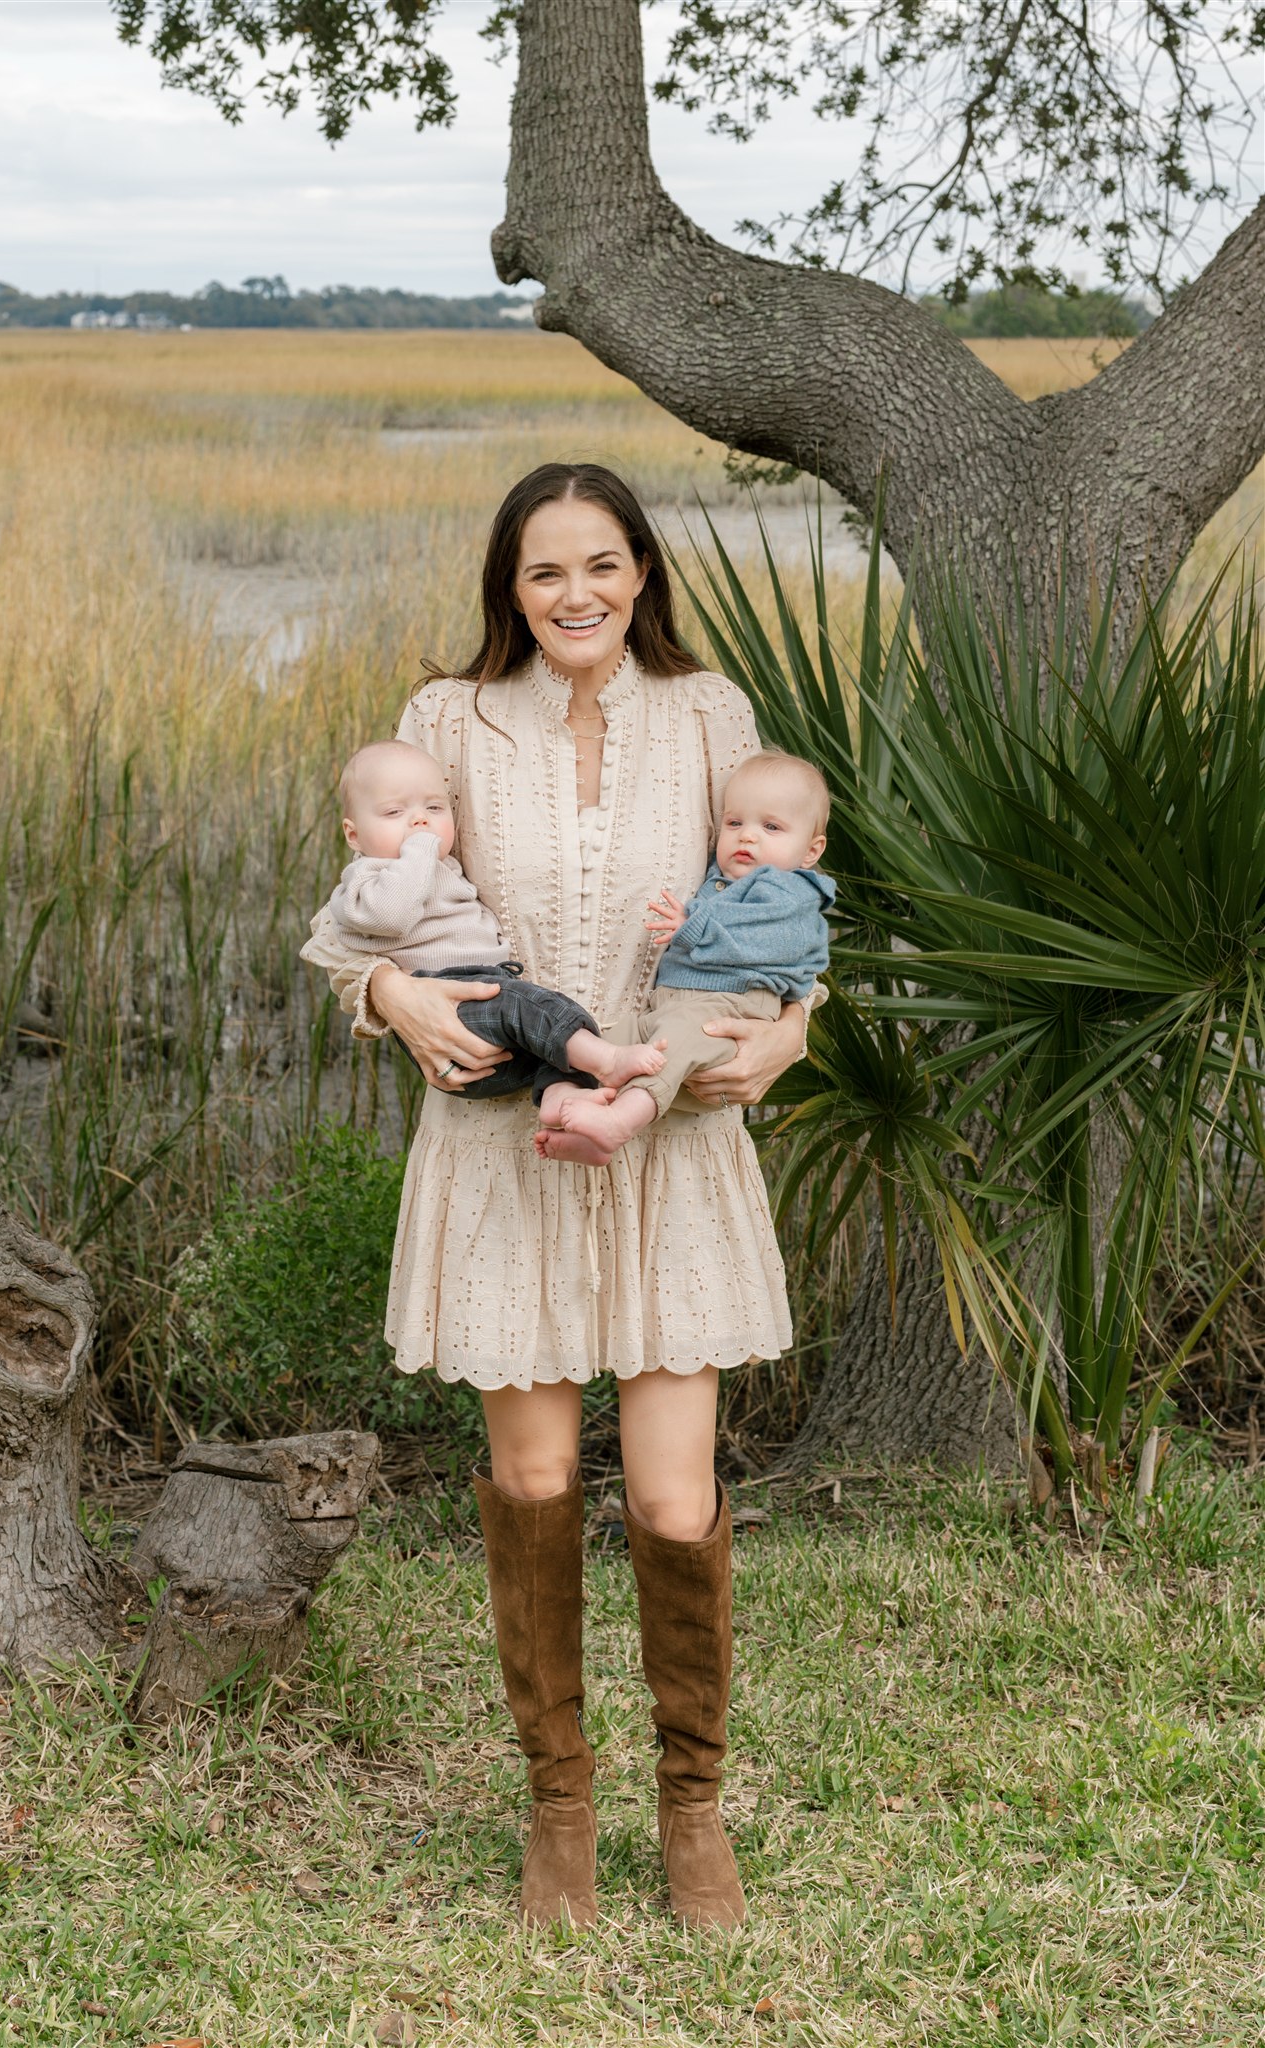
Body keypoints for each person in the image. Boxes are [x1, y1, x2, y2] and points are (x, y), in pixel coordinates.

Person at [301, 463, 821, 1933]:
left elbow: (778, 898)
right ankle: (559, 1808)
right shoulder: (447, 719)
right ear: (510, 587)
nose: (575, 594)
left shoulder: (709, 713)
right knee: (531, 1483)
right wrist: (395, 997)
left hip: (673, 1142)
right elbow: (358, 923)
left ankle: (693, 1806)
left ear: (641, 571)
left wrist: (792, 1033)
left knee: (670, 1494)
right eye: (544, 572)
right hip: (504, 1145)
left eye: (601, 565)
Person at [303, 737, 666, 1110]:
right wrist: (421, 848)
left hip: (487, 1019)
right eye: (394, 812)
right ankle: (608, 1059)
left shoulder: (438, 867)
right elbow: (390, 916)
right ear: (353, 835)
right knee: (535, 1008)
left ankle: (560, 1098)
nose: (420, 820)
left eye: (434, 807)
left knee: (546, 1043)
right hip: (446, 1005)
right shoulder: (367, 879)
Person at [536, 749, 834, 1160]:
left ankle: (619, 1122)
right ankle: (568, 1106)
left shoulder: (790, 892)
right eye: (735, 823)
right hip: (667, 1008)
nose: (747, 836)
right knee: (597, 1045)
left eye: (771, 826)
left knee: (669, 1050)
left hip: (730, 1008)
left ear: (811, 851)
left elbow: (769, 941)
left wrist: (694, 928)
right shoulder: (725, 877)